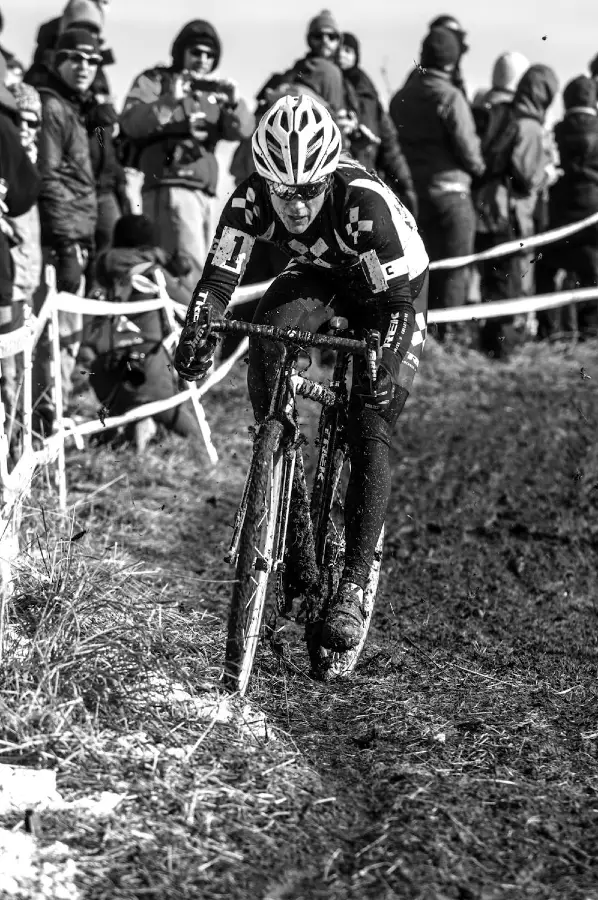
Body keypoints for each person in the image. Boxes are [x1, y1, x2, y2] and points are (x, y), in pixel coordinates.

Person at [174, 95, 429, 652]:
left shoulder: (361, 204)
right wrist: (197, 334)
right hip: (316, 269)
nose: (294, 205)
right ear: (262, 177)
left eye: (310, 190)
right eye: (282, 190)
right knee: (271, 334)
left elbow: (398, 306)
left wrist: (381, 366)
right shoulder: (246, 200)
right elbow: (216, 285)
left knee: (370, 423)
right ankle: (283, 477)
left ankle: (354, 589)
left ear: (329, 176)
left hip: (391, 292)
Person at [119, 19, 254, 287]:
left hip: (203, 192)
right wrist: (171, 101)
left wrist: (234, 102)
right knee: (185, 268)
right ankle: (189, 325)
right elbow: (131, 121)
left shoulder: (211, 94)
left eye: (209, 55)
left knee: (200, 264)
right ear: (181, 52)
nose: (202, 60)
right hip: (170, 187)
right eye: (196, 52)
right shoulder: (156, 80)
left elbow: (243, 130)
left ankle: (191, 322)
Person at [389, 28, 484, 340]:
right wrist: (482, 167)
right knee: (455, 268)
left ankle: (416, 338)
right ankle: (450, 339)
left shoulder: (400, 97)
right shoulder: (450, 96)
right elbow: (470, 153)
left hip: (411, 196)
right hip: (451, 193)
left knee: (418, 270)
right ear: (453, 59)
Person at [82, 214, 201, 450]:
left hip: (105, 375)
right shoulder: (152, 272)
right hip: (149, 373)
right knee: (196, 439)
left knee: (121, 418)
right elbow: (193, 309)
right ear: (149, 244)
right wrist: (180, 277)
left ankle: (126, 433)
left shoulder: (101, 270)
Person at [33, 27, 100, 435]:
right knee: (56, 338)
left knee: (66, 337)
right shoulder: (53, 108)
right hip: (60, 238)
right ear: (57, 61)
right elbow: (49, 178)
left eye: (92, 60)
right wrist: (65, 243)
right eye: (75, 58)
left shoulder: (72, 107)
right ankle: (44, 431)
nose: (84, 67)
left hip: (76, 233)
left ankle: (47, 424)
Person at [536, 75, 598, 340]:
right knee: (592, 278)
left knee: (545, 269)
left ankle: (548, 332)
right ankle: (591, 335)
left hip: (559, 217)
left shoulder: (555, 131)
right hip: (592, 217)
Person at [336, 32, 417, 216]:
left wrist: (404, 182)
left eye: (348, 50)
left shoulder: (368, 91)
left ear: (356, 55)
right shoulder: (331, 85)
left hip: (367, 177)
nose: (342, 54)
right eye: (339, 50)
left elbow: (388, 143)